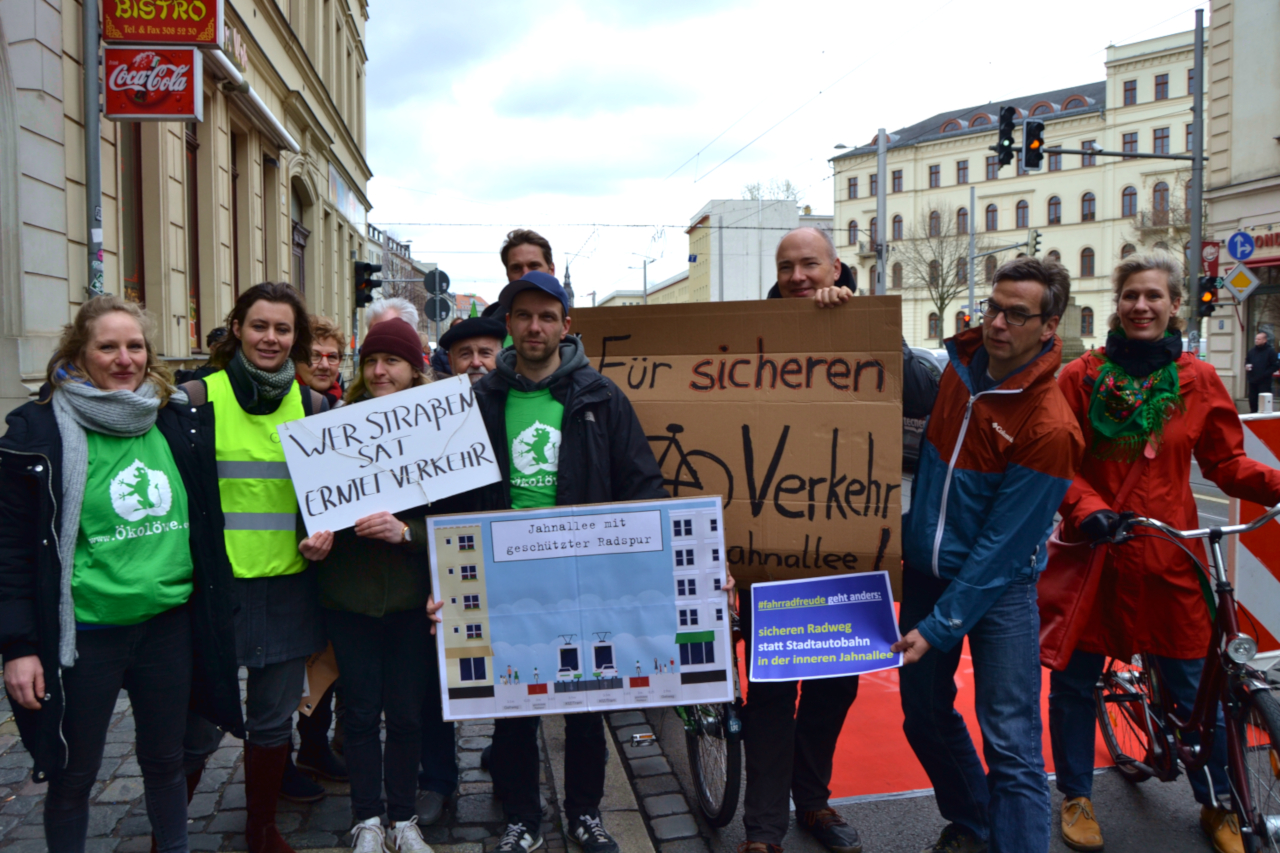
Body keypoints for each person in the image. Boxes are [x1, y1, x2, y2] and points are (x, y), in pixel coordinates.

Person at [427, 271, 720, 853]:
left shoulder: (600, 397)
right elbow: (450, 499)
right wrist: (440, 579)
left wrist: (674, 563)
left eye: (547, 316)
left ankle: (586, 812)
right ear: (508, 325)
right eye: (523, 316)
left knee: (590, 702)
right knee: (511, 706)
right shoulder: (478, 400)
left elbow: (641, 486)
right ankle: (521, 818)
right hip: (502, 574)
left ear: (566, 325)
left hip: (588, 576)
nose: (535, 327)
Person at [1047, 251, 1280, 853]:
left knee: (1195, 682)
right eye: (1131, 296)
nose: (1141, 306)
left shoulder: (1199, 380)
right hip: (1097, 553)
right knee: (1075, 682)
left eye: (1154, 296)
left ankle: (1220, 803)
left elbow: (1226, 463)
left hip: (1170, 557)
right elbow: (1060, 465)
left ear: (1176, 304)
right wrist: (1088, 508)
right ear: (1118, 304)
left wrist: (1278, 484)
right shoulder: (1081, 377)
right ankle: (1076, 794)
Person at [0, 296, 242, 853]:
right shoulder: (38, 431)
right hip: (85, 632)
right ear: (79, 354)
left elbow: (205, 519)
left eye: (135, 346)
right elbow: (12, 552)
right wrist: (18, 646)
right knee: (73, 774)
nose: (124, 358)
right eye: (107, 346)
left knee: (166, 761)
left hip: (167, 625)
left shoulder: (173, 416)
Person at [736, 227, 939, 853]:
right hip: (771, 547)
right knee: (771, 693)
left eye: (810, 265)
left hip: (851, 543)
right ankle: (763, 831)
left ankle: (815, 802)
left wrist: (868, 328)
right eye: (787, 266)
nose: (798, 276)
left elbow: (923, 391)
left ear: (835, 268)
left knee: (833, 687)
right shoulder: (752, 338)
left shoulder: (866, 325)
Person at [892, 256, 1083, 853]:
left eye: (1016, 314)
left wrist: (942, 625)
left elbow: (1002, 550)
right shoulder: (958, 371)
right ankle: (974, 821)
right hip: (927, 572)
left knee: (1011, 743)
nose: (998, 323)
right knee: (922, 714)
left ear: (1049, 326)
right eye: (993, 307)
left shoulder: (1051, 425)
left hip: (999, 591)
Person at [184, 282, 330, 853]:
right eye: (259, 326)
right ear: (238, 330)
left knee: (272, 724)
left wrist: (327, 533)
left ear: (295, 339)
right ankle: (169, 836)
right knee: (194, 727)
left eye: (282, 329)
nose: (271, 338)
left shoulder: (316, 408)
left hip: (288, 589)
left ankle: (261, 830)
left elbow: (331, 500)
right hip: (214, 593)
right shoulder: (196, 399)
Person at [301, 319, 441, 853]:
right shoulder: (333, 427)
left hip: (411, 598)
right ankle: (367, 820)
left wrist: (408, 532)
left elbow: (460, 518)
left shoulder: (438, 428)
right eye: (372, 362)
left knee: (406, 712)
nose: (380, 371)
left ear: (413, 369)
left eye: (393, 362)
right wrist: (312, 540)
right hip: (349, 595)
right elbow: (308, 506)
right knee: (358, 712)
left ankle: (403, 819)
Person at [437, 316, 506, 384]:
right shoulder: (434, 394)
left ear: (502, 358)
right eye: (465, 354)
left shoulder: (515, 393)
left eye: (485, 353)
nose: (476, 363)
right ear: (451, 362)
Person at [301, 316, 348, 410]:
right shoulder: (277, 402)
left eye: (332, 357)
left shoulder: (348, 411)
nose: (325, 365)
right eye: (314, 355)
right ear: (296, 358)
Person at [1245, 331, 1279, 414]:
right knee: (1252, 401)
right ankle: (1253, 415)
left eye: (1259, 339)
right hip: (1253, 381)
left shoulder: (1270, 351)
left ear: (1265, 340)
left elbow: (1275, 365)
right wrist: (1246, 366)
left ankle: (1265, 418)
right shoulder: (1252, 351)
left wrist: (1265, 374)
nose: (1256, 340)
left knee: (1264, 403)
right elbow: (1247, 360)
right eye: (1256, 339)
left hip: (1264, 382)